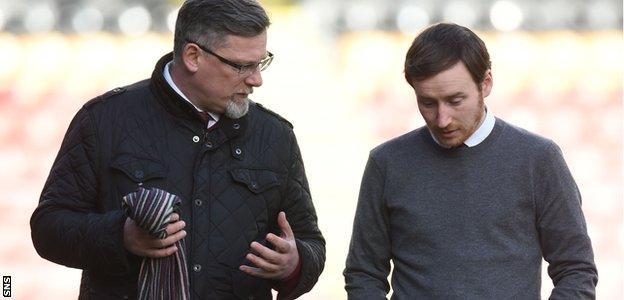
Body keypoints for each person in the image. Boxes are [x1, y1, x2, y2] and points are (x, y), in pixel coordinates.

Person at [30, 0, 325, 299]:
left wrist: (294, 263)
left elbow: (310, 242)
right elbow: (48, 229)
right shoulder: (103, 120)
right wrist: (121, 236)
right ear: (193, 56)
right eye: (241, 66)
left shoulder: (275, 135)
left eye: (260, 62)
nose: (256, 79)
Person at [344, 23, 597, 299]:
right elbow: (364, 273)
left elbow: (576, 270)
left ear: (485, 83)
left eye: (455, 100)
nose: (442, 119)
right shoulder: (387, 163)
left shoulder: (538, 159)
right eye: (428, 102)